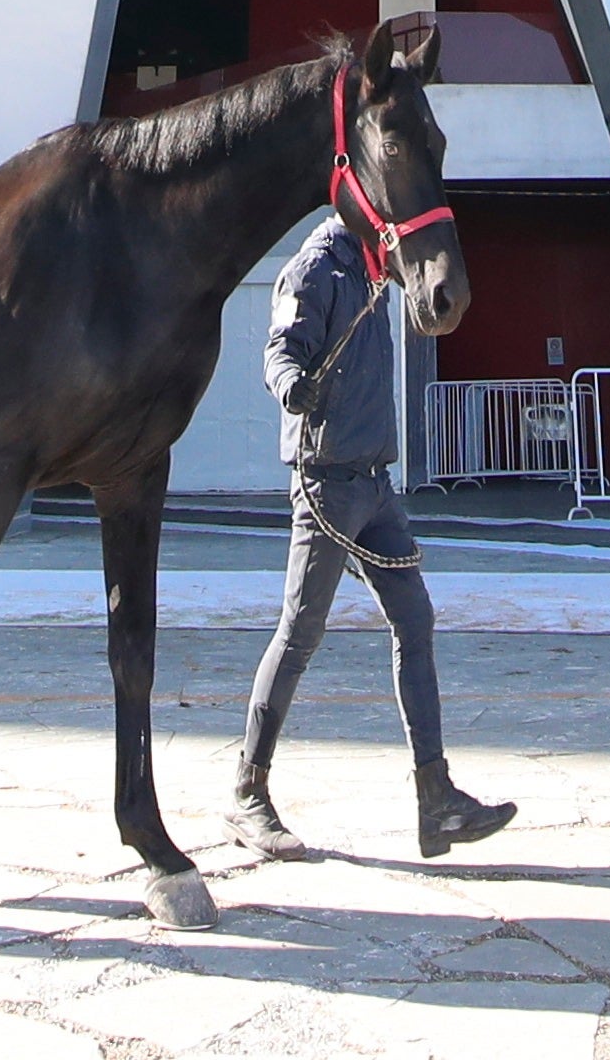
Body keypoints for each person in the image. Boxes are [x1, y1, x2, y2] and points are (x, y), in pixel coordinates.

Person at [230, 208, 514, 862]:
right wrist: (290, 386)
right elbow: (280, 350)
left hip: (374, 486)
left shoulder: (370, 275)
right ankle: (248, 790)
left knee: (415, 619)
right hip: (326, 485)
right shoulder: (316, 269)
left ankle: (436, 800)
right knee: (300, 633)